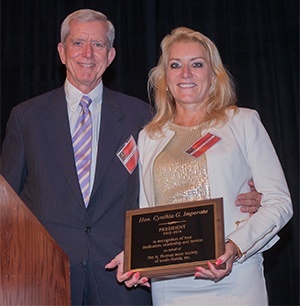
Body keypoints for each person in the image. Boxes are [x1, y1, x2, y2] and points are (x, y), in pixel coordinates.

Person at [0, 11, 261, 305]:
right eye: (78, 43)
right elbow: (6, 206)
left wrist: (243, 194)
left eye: (98, 45)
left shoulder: (144, 119)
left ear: (110, 55)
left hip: (123, 280)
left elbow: (174, 183)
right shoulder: (26, 118)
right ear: (62, 52)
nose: (88, 53)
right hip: (47, 279)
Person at [106, 27, 293, 305]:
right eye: (175, 65)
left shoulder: (242, 122)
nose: (186, 73)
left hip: (234, 277)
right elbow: (147, 213)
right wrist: (136, 257)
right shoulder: (150, 137)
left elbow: (279, 202)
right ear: (165, 79)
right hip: (170, 285)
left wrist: (234, 247)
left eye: (196, 64)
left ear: (213, 75)